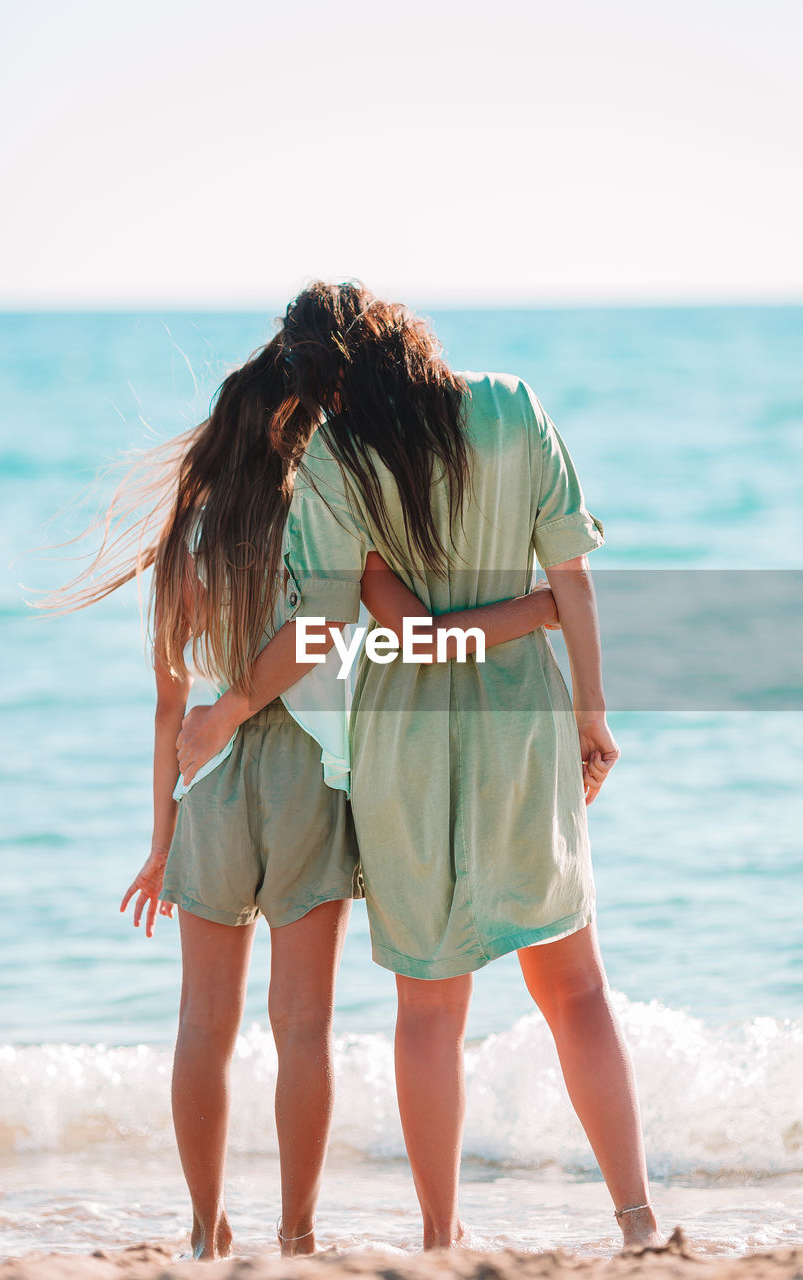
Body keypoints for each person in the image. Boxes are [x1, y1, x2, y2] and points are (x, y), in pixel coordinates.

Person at [41, 330, 563, 1259]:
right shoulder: (324, 520)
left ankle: (205, 1233)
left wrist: (159, 842)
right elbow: (399, 633)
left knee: (202, 1024)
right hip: (311, 778)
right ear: (299, 432)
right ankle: (297, 1235)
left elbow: (171, 711)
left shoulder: (183, 550)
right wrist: (534, 605)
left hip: (208, 779)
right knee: (304, 1027)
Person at [175, 282, 665, 1253]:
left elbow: (320, 625)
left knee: (428, 1005)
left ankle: (441, 1237)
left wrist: (228, 707)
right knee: (574, 984)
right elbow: (570, 572)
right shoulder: (514, 405)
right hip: (521, 718)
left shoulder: (336, 457)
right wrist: (591, 706)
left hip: (404, 734)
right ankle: (639, 1221)